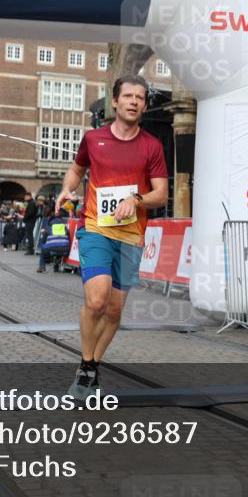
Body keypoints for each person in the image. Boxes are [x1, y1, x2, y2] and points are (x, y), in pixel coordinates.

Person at [56, 75, 168, 398]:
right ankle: (86, 367)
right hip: (95, 228)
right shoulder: (93, 139)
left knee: (115, 311)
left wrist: (136, 200)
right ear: (114, 101)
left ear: (145, 105)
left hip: (131, 235)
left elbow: (161, 193)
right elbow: (77, 169)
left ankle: (90, 367)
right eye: (128, 96)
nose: (134, 101)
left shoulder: (152, 146)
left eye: (140, 97)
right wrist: (67, 188)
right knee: (96, 299)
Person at [36, 201, 70, 273]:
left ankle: (42, 266)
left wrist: (44, 235)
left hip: (53, 247)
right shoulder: (63, 223)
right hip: (65, 249)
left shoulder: (49, 225)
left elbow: (45, 237)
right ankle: (56, 267)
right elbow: (67, 233)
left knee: (44, 247)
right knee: (59, 242)